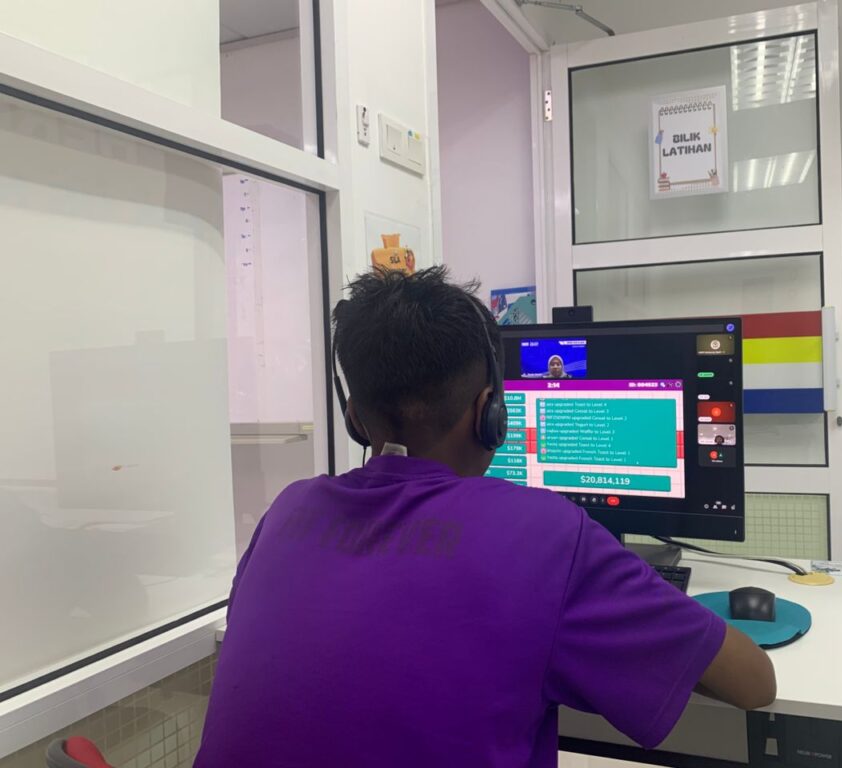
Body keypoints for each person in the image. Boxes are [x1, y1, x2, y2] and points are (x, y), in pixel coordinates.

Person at [195, 267, 775, 768]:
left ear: (355, 418)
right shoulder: (545, 536)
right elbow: (754, 683)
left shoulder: (288, 510)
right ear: (490, 412)